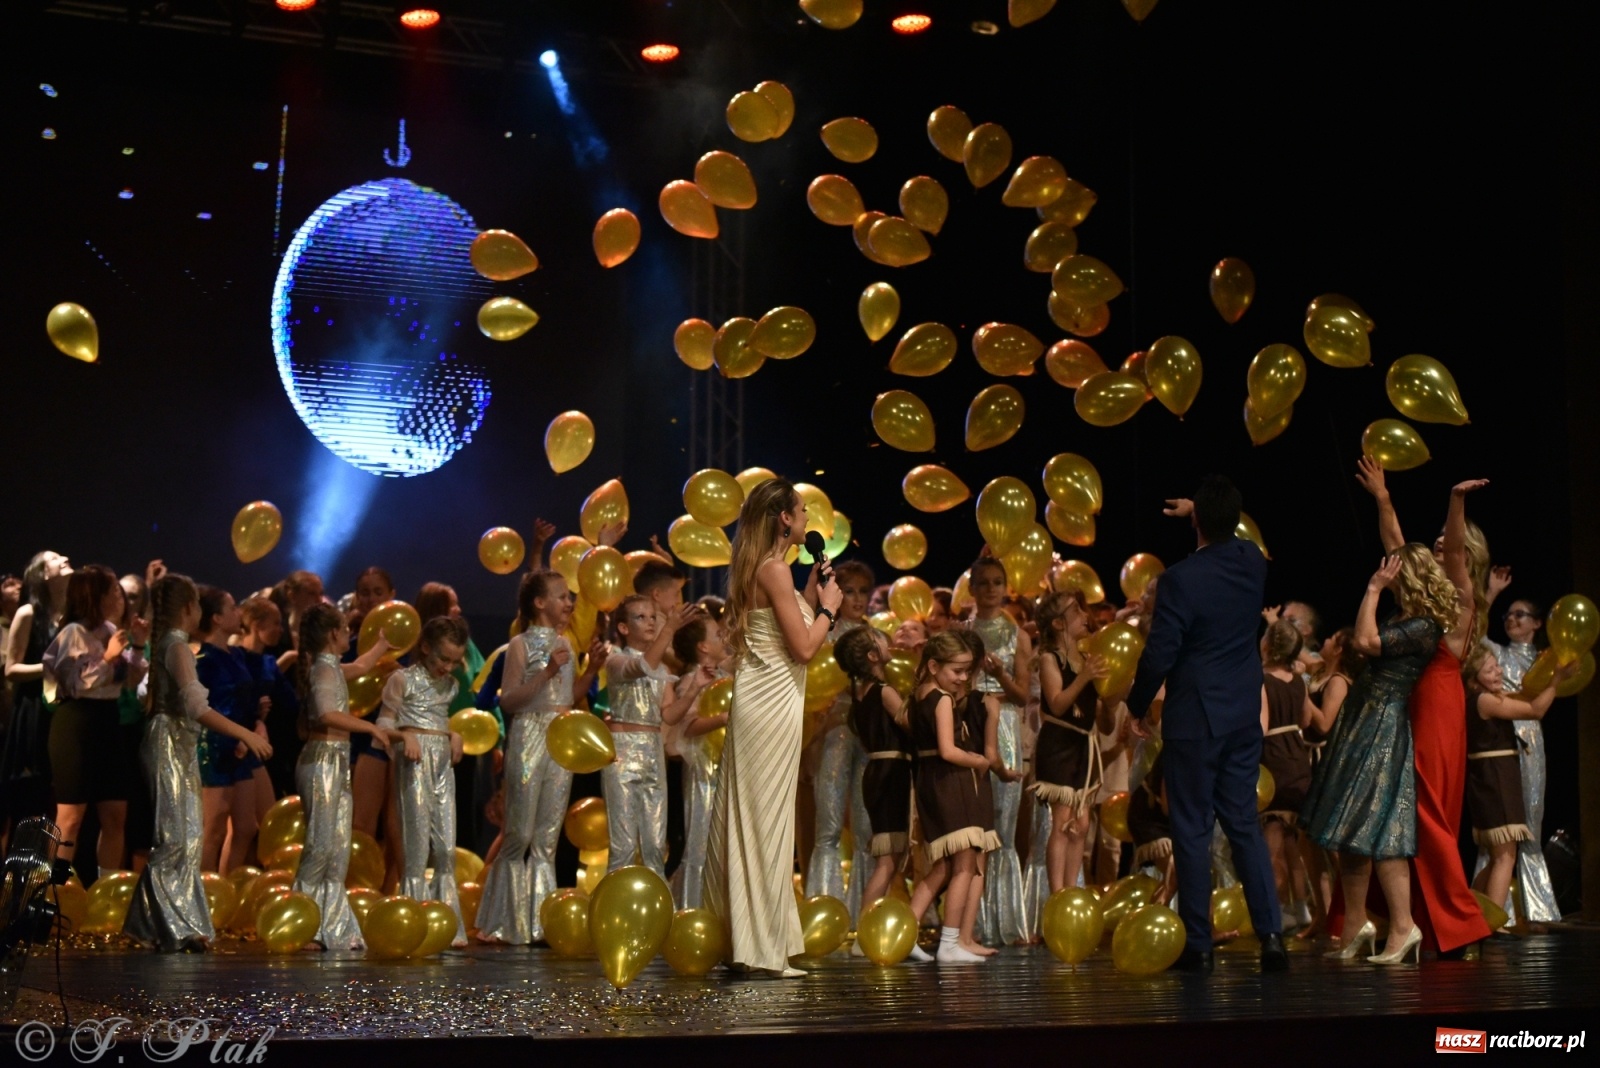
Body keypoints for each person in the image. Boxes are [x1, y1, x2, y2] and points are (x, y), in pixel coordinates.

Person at [1125, 476, 1286, 974]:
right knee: (1243, 826)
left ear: (1196, 521)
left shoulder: (1179, 579)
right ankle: (1272, 936)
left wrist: (1136, 703)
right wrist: (1207, 510)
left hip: (1194, 717)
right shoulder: (1252, 563)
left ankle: (1198, 944)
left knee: (1192, 830)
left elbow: (1161, 651)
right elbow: (1233, 536)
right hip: (1240, 714)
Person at [704, 477, 841, 978]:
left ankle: (762, 943)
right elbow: (805, 648)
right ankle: (758, 948)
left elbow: (787, 634)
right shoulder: (774, 569)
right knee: (764, 825)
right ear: (784, 518)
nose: (806, 519)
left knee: (765, 823)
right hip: (770, 705)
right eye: (802, 511)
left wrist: (812, 595)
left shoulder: (763, 569)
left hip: (766, 700)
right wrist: (830, 609)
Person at [1357, 461, 1494, 955]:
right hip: (1405, 705)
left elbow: (1453, 548)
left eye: (1446, 543)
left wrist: (1456, 500)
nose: (1439, 545)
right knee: (1402, 814)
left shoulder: (1459, 596)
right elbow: (1396, 548)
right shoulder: (1418, 597)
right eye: (1434, 541)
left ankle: (1456, 925)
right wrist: (1383, 498)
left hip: (1437, 708)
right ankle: (1419, 924)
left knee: (1426, 812)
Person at [1301, 549, 1457, 964]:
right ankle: (1356, 926)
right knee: (1352, 830)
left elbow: (1366, 642)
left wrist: (1371, 589)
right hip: (1363, 719)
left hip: (1383, 726)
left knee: (1381, 827)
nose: (1389, 578)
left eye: (1396, 572)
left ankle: (1404, 927)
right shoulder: (1401, 618)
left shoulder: (1426, 625)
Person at [124, 574, 272, 952]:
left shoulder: (175, 645)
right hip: (169, 741)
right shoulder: (176, 647)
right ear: (189, 609)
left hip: (179, 741)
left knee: (186, 834)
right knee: (175, 837)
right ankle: (165, 923)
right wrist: (245, 733)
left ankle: (162, 922)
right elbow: (195, 706)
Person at [476, 570, 601, 945]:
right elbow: (509, 699)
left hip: (558, 737)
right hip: (530, 734)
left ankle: (540, 921)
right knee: (520, 833)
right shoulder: (520, 645)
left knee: (547, 837)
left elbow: (568, 696)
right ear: (539, 603)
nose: (569, 603)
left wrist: (591, 669)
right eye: (562, 596)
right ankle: (504, 921)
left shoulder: (565, 641)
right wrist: (547, 670)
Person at [292, 603, 397, 950]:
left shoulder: (333, 667)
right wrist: (368, 726)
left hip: (336, 762)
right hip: (321, 761)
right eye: (345, 629)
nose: (349, 636)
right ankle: (301, 923)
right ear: (332, 634)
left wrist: (382, 644)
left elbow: (365, 665)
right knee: (320, 846)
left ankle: (332, 927)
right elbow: (326, 713)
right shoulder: (322, 671)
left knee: (337, 851)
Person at [42, 565, 146, 878]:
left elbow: (131, 681)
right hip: (76, 723)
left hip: (107, 721)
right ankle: (53, 892)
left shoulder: (109, 631)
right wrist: (110, 657)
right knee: (71, 816)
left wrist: (138, 646)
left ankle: (106, 893)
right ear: (95, 595)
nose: (120, 596)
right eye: (114, 589)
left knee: (115, 814)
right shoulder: (73, 633)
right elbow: (75, 683)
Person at [377, 615, 471, 946]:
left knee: (446, 848)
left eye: (454, 660)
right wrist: (404, 737)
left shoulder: (451, 686)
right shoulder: (402, 680)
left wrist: (453, 735)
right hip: (414, 763)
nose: (447, 667)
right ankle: (415, 919)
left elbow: (439, 722)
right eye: (442, 658)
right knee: (416, 847)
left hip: (442, 765)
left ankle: (448, 923)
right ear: (426, 647)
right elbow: (382, 727)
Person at [905, 631, 998, 964]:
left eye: (966, 671)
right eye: (956, 671)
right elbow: (948, 749)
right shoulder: (941, 698)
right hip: (950, 783)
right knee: (964, 866)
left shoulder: (919, 694)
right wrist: (978, 760)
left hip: (930, 779)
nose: (962, 678)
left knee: (943, 867)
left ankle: (906, 934)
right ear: (933, 665)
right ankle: (950, 942)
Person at [1462, 646, 1572, 925]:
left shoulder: (1485, 696)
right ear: (1475, 678)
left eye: (1497, 666)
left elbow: (1526, 696)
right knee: (1505, 855)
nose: (1498, 671)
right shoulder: (1484, 700)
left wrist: (1544, 676)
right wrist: (1557, 680)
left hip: (1494, 777)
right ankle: (1490, 925)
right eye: (1490, 669)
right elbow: (1535, 710)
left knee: (1498, 855)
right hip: (1494, 779)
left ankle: (1467, 914)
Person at [603, 594, 709, 878]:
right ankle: (615, 917)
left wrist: (695, 688)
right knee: (623, 846)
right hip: (623, 754)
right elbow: (640, 668)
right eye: (640, 617)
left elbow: (669, 715)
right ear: (624, 628)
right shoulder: (616, 659)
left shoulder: (661, 670)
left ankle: (656, 918)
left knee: (654, 845)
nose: (650, 622)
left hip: (652, 752)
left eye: (653, 617)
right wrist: (669, 630)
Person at [1478, 590, 1562, 926]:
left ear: (1537, 623)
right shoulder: (1497, 655)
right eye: (1508, 615)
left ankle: (1536, 908)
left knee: (1529, 823)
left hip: (1530, 741)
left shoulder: (1546, 659)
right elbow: (1477, 635)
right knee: (1501, 829)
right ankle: (1499, 911)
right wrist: (1490, 594)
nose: (1511, 619)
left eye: (1520, 614)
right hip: (1502, 742)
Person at [966, 556, 1032, 947]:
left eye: (997, 582)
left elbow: (1023, 696)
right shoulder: (964, 631)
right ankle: (973, 923)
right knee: (975, 829)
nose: (991, 589)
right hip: (970, 729)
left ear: (1006, 587)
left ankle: (1005, 923)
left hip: (1005, 728)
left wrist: (999, 674)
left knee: (1004, 832)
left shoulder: (1017, 635)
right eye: (984, 583)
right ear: (972, 589)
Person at [832, 624, 912, 941]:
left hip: (879, 773)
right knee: (888, 860)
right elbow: (911, 723)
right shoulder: (884, 691)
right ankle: (866, 930)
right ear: (872, 655)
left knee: (889, 859)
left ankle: (871, 928)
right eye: (880, 639)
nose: (887, 638)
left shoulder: (860, 691)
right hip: (891, 774)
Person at [804, 559, 874, 923]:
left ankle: (863, 911)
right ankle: (824, 912)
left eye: (864, 592)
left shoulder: (878, 637)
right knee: (828, 824)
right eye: (849, 591)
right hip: (832, 732)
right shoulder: (824, 636)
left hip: (868, 737)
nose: (858, 599)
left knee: (866, 827)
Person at [1033, 590, 1112, 895]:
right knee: (1063, 821)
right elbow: (1056, 703)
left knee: (1081, 826)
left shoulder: (1089, 659)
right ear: (1058, 624)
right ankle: (1057, 895)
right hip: (1059, 745)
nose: (1084, 615)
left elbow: (1103, 710)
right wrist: (1084, 678)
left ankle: (1072, 890)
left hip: (1084, 747)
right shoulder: (1049, 659)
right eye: (1075, 611)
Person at [193, 586, 265, 872]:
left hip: (241, 743)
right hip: (217, 746)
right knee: (214, 830)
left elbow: (240, 697)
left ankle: (223, 887)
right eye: (232, 607)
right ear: (216, 619)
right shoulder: (204, 660)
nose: (239, 613)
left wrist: (257, 715)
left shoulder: (236, 654)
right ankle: (203, 893)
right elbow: (204, 706)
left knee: (246, 826)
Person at [2, 551, 72, 832]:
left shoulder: (73, 615)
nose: (65, 557)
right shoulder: (28, 613)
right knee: (33, 798)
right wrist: (50, 669)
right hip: (34, 710)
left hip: (66, 710)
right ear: (42, 573)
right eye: (55, 558)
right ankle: (23, 870)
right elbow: (11, 669)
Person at [1258, 619, 1317, 930]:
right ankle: (1301, 907)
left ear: (1267, 645)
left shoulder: (1262, 680)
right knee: (1293, 846)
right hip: (1298, 765)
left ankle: (1273, 911)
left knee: (1270, 848)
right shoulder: (1298, 681)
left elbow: (1261, 726)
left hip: (1275, 765)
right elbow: (1306, 719)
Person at [669, 613, 730, 909]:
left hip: (723, 767)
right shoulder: (692, 681)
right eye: (717, 634)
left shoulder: (723, 678)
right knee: (699, 842)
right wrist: (722, 718)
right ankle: (691, 910)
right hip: (703, 768)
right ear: (703, 647)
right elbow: (686, 726)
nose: (723, 638)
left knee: (720, 845)